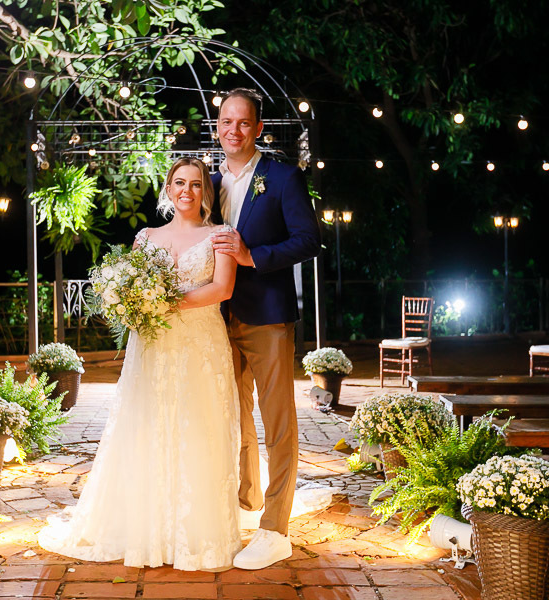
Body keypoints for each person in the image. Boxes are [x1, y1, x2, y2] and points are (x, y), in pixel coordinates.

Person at [38, 157, 242, 571]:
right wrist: (133, 302)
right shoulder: (145, 237)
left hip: (201, 344)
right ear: (167, 189)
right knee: (147, 424)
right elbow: (126, 290)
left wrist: (162, 301)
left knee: (199, 426)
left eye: (196, 184)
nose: (187, 190)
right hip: (152, 345)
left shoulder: (220, 235)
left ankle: (196, 532)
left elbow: (221, 289)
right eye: (179, 183)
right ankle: (145, 525)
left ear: (206, 192)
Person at [210, 88, 322, 570]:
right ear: (218, 127)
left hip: (269, 317)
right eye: (226, 122)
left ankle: (276, 527)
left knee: (278, 425)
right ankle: (246, 500)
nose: (233, 130)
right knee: (232, 417)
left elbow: (309, 241)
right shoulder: (209, 182)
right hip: (217, 317)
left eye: (243, 123)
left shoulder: (283, 177)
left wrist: (253, 256)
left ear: (258, 128)